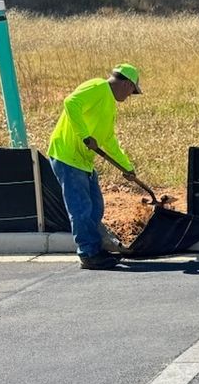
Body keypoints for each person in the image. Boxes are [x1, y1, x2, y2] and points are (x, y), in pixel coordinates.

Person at [47, 64, 158, 269]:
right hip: (67, 157)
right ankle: (88, 254)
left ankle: (97, 248)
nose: (130, 96)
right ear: (126, 83)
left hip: (83, 161)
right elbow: (71, 103)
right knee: (81, 209)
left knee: (96, 207)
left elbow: (108, 140)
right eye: (132, 91)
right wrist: (84, 135)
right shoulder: (97, 87)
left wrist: (127, 167)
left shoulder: (109, 105)